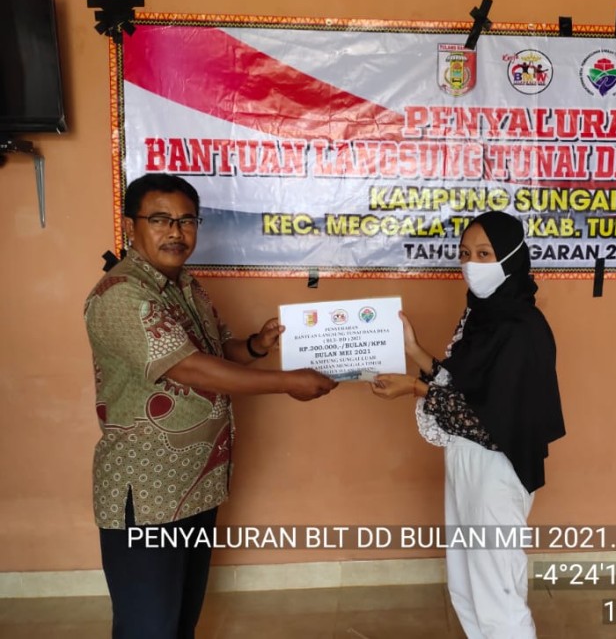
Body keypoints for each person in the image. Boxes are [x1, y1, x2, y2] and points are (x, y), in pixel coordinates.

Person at [83, 173, 337, 639]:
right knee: (147, 626)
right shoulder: (122, 294)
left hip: (195, 486)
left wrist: (256, 346)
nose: (176, 232)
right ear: (130, 225)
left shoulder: (187, 286)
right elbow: (191, 369)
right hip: (149, 492)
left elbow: (218, 352)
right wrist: (287, 382)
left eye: (187, 221)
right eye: (160, 219)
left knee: (181, 620)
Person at [370, 210, 565, 639]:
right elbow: (465, 385)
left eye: (483, 253)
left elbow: (487, 417)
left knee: (497, 591)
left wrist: (414, 388)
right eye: (463, 254)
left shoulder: (522, 329)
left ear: (511, 256)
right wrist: (414, 350)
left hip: (497, 467)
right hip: (465, 459)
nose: (470, 264)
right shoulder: (481, 318)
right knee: (466, 584)